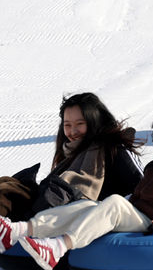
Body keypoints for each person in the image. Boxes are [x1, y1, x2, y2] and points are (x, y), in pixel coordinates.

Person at [0, 109, 153, 270]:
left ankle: (58, 247)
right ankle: (18, 230)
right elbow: (142, 195)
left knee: (114, 204)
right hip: (141, 214)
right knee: (87, 206)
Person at [0, 93, 142, 221]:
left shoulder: (115, 150)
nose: (72, 132)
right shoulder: (72, 156)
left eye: (80, 124)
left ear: (95, 121)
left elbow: (143, 187)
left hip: (88, 221)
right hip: (51, 215)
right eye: (67, 125)